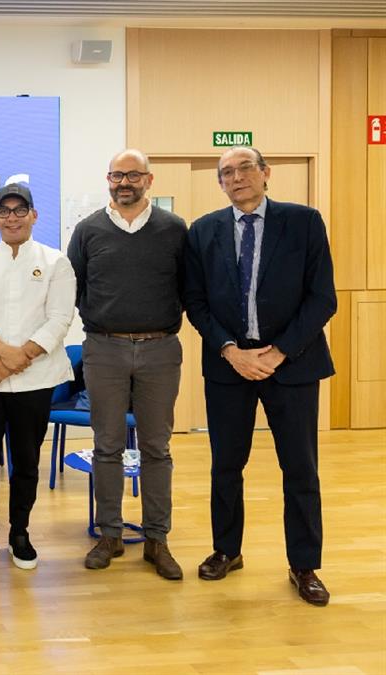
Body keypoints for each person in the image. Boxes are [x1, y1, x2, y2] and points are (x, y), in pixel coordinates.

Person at [184, 146, 337, 606]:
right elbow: (196, 302)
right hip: (229, 367)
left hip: (291, 365)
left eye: (244, 168)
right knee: (227, 465)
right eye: (226, 173)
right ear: (220, 183)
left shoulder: (304, 222)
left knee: (300, 468)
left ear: (265, 173)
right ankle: (227, 550)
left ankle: (304, 564)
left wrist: (280, 353)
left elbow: (322, 298)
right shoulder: (203, 231)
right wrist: (231, 351)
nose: (236, 177)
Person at [67, 149, 187, 580]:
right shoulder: (88, 230)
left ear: (149, 181)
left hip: (160, 350)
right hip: (104, 349)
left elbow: (188, 287)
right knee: (107, 446)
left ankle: (158, 539)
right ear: (108, 179)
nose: (125, 182)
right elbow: (74, 288)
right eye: (118, 175)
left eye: (134, 175)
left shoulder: (174, 229)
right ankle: (110, 534)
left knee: (157, 447)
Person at [0, 183, 74, 570]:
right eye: (3, 211)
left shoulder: (55, 261)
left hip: (36, 380)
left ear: (34, 215)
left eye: (19, 210)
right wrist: (4, 353)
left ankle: (20, 532)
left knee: (25, 461)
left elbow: (59, 318)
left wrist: (19, 357)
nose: (11, 218)